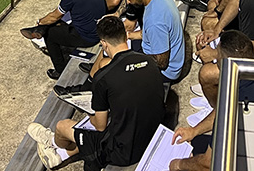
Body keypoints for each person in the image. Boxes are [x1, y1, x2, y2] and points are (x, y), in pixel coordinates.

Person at [26, 16, 165, 170]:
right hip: (153, 134)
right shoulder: (150, 62)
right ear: (126, 36)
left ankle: (53, 145)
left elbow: (100, 126)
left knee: (62, 127)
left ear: (104, 44)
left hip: (124, 151)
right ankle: (63, 154)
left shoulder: (104, 77)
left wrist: (91, 114)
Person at [170, 30, 254, 171]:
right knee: (196, 140)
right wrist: (194, 130)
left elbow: (207, 163)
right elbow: (219, 110)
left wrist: (178, 165)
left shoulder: (230, 107)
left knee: (194, 159)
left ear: (222, 63)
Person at [20, 0, 106, 79]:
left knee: (50, 33)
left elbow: (54, 16)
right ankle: (40, 30)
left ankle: (59, 70)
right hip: (98, 29)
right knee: (57, 22)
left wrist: (40, 21)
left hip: (87, 37)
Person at [111, 0, 185, 83]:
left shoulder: (155, 21)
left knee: (117, 67)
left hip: (166, 72)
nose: (128, 2)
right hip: (159, 52)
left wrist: (129, 59)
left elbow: (161, 63)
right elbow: (150, 34)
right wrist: (129, 35)